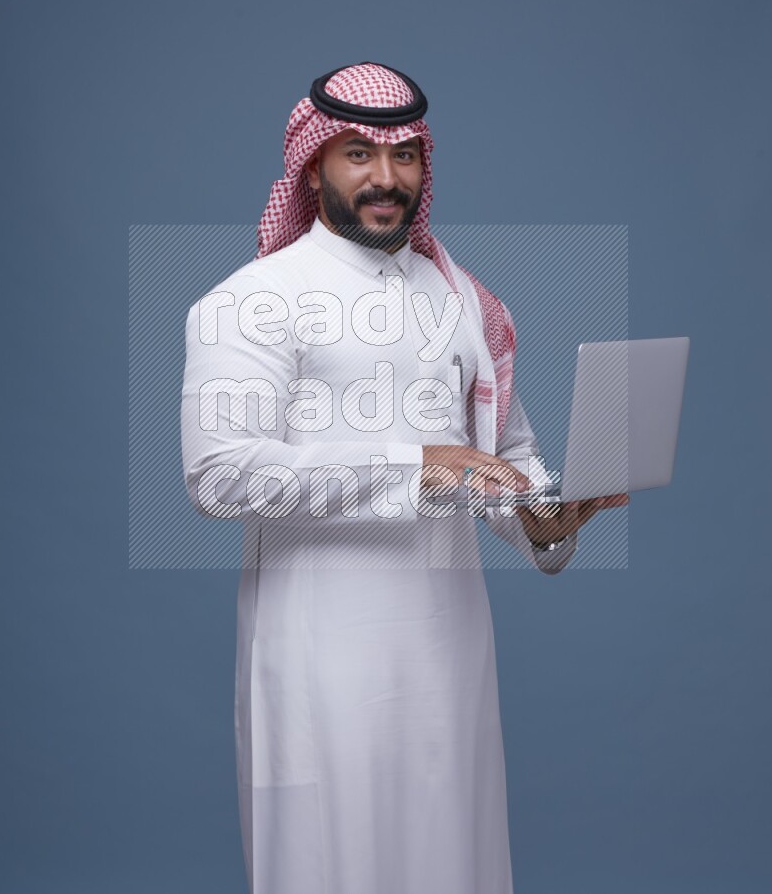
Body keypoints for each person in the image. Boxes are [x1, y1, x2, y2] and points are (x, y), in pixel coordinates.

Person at [180, 62, 627, 894]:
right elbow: (221, 474)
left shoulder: (464, 300)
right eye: (359, 154)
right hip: (320, 651)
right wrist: (414, 465)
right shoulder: (252, 301)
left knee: (454, 863)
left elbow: (504, 455)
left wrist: (544, 519)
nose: (385, 177)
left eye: (405, 156)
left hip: (450, 652)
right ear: (313, 165)